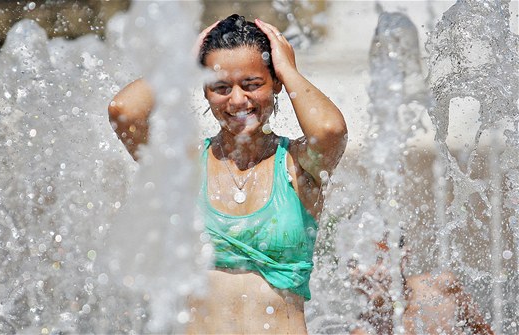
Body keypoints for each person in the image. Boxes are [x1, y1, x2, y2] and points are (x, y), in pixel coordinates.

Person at [108, 14, 347, 334]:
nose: (237, 100)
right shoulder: (184, 166)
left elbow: (330, 130)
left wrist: (288, 69)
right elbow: (124, 112)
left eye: (252, 84)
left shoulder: (295, 164)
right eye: (221, 87)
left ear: (275, 84)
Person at [350, 238, 494, 335]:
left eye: (377, 258)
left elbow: (484, 331)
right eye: (356, 262)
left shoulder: (441, 286)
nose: (366, 271)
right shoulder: (365, 330)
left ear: (403, 258)